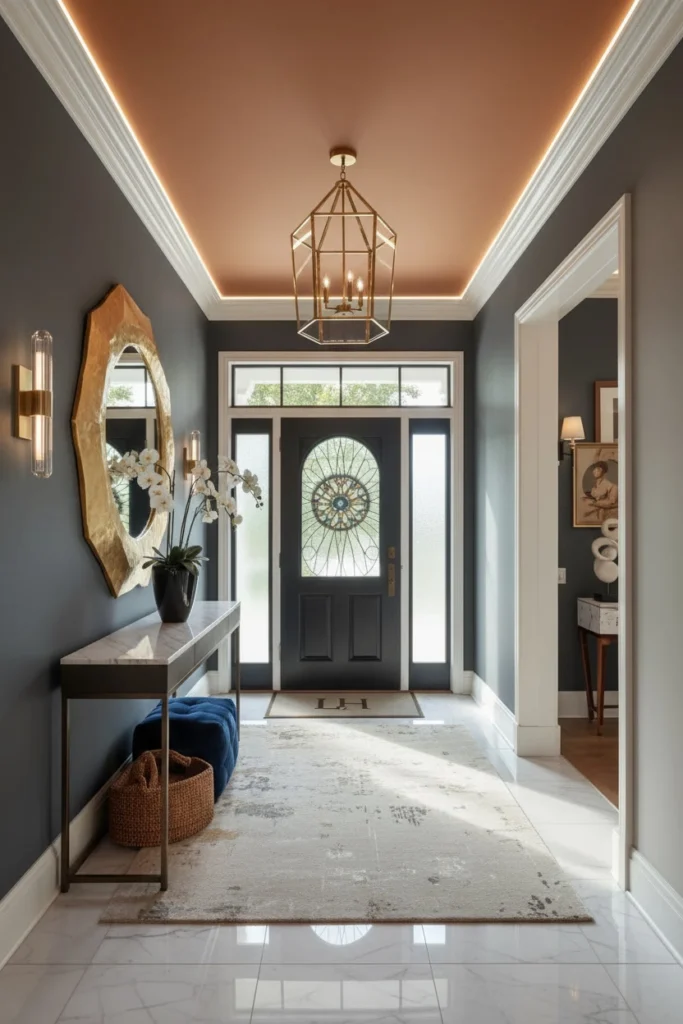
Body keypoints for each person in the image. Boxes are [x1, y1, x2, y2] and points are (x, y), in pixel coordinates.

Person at [581, 460, 618, 524]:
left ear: (603, 471)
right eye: (594, 469)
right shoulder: (595, 485)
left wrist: (594, 503)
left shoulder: (611, 486)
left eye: (598, 469)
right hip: (595, 513)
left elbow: (611, 502)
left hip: (606, 514)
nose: (594, 471)